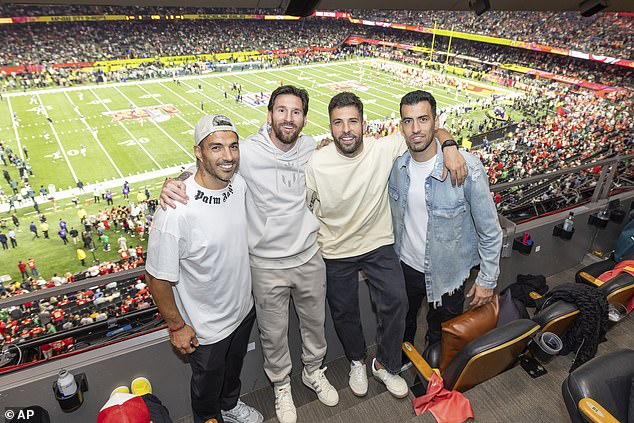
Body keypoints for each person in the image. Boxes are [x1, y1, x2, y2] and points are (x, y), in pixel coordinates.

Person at [160, 87, 338, 423]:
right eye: (282, 110)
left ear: (304, 117)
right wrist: (175, 182)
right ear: (269, 114)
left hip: (308, 256)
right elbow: (209, 167)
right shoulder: (247, 153)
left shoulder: (312, 147)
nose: (289, 118)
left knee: (315, 325)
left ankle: (314, 371)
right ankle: (281, 386)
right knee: (273, 335)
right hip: (266, 264)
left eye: (296, 111)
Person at [304, 92, 466, 399]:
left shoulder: (383, 147)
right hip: (336, 248)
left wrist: (450, 145)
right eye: (338, 123)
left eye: (353, 121)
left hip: (377, 242)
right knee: (344, 311)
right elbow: (307, 207)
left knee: (397, 301)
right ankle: (356, 360)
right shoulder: (317, 162)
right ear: (330, 126)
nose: (346, 129)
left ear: (364, 123)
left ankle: (386, 364)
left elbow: (424, 129)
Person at [147, 114, 263, 423]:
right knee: (205, 390)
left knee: (232, 373)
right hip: (206, 328)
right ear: (199, 152)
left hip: (242, 309)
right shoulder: (175, 211)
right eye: (216, 147)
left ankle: (230, 405)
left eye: (233, 146)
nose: (227, 156)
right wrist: (176, 326)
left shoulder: (237, 183)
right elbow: (157, 277)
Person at [388, 91, 503, 354]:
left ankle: (433, 380)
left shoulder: (467, 167)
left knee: (441, 337)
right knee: (403, 324)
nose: (416, 129)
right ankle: (403, 362)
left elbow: (490, 230)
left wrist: (487, 279)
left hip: (449, 274)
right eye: (408, 121)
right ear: (401, 126)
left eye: (423, 119)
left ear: (436, 121)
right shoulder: (396, 165)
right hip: (405, 267)